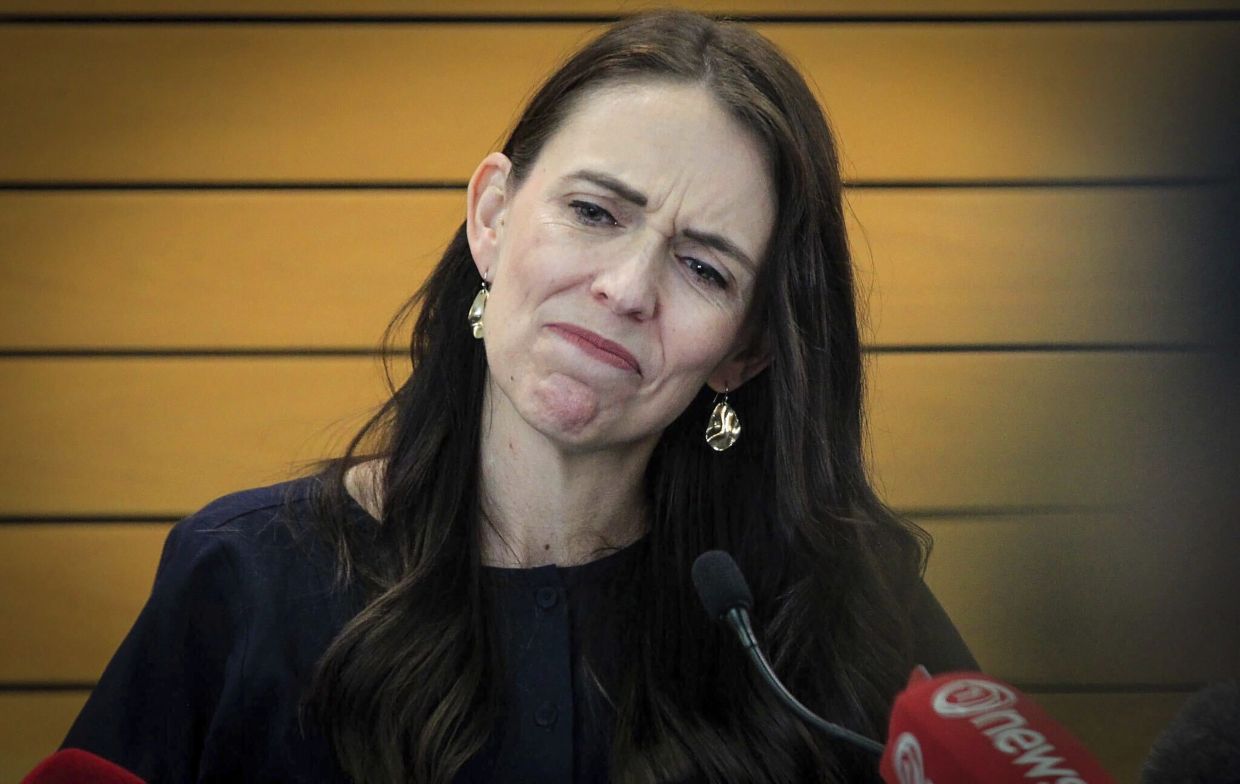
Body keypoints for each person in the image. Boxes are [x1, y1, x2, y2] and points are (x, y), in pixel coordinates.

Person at [59, 9, 976, 783]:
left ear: (745, 352)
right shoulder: (241, 581)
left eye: (702, 266)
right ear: (493, 218)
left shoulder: (844, 607)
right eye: (593, 212)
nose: (625, 287)